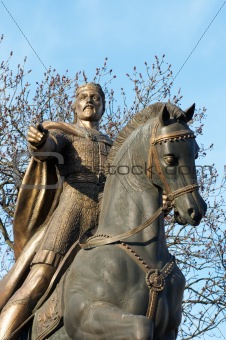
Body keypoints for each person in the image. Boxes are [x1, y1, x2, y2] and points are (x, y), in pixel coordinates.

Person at [0, 82, 112, 339]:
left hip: (107, 220)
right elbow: (48, 146)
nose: (89, 101)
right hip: (71, 214)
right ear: (74, 105)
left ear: (103, 107)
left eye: (96, 98)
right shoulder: (67, 133)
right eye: (83, 97)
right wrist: (40, 142)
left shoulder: (114, 145)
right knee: (37, 281)